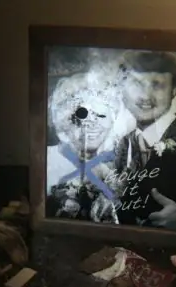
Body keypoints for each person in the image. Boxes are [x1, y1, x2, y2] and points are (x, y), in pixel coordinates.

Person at [112, 51, 176, 230]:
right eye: (137, 84)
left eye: (157, 85)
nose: (145, 96)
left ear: (174, 91)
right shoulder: (124, 143)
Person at [45, 72, 122, 223]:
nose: (91, 123)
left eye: (100, 115)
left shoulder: (119, 162)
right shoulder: (47, 159)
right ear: (62, 121)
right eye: (80, 115)